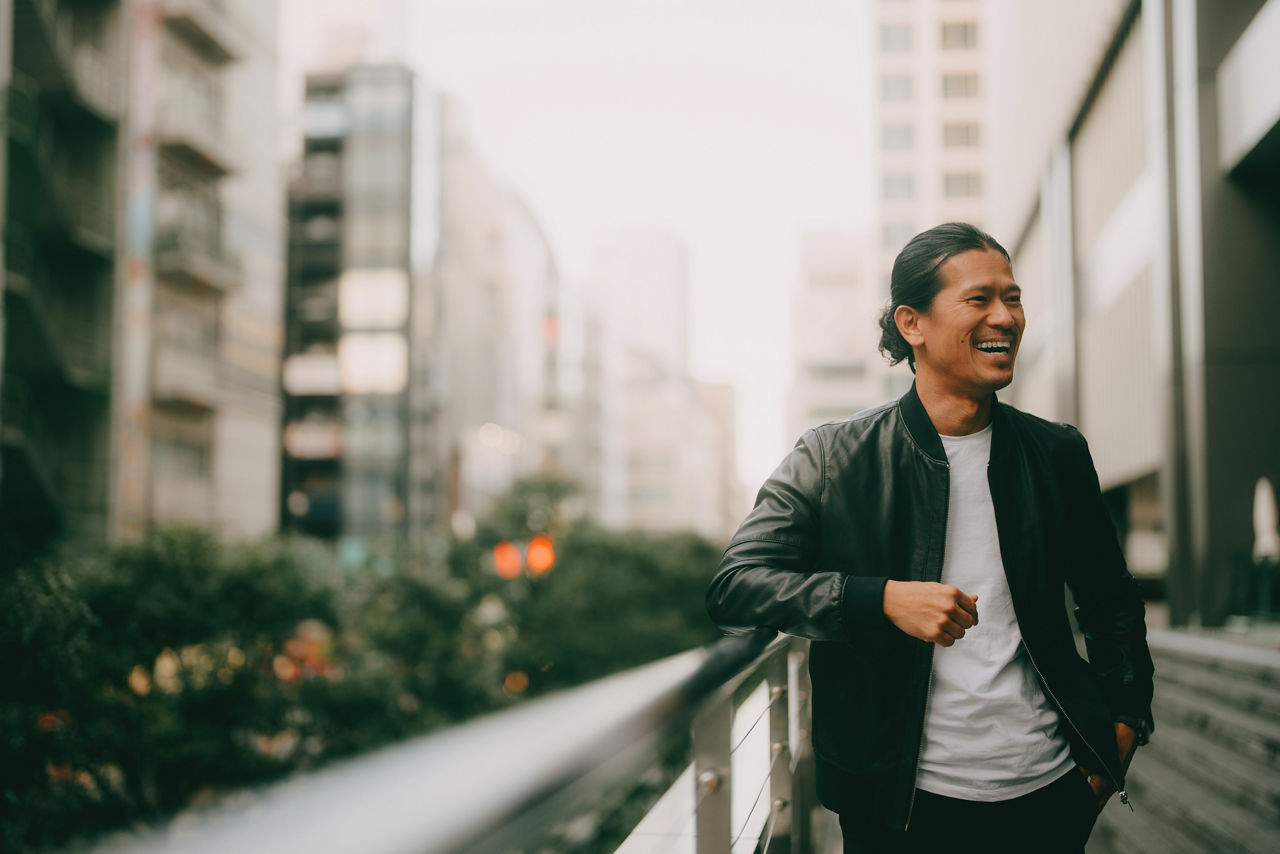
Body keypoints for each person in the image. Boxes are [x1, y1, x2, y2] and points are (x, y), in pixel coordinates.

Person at [705, 223, 1154, 853]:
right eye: (979, 299)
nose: (1006, 316)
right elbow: (735, 586)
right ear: (911, 323)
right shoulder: (834, 456)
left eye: (1014, 297)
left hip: (1050, 791)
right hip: (896, 806)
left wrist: (1125, 725)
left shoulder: (1057, 453)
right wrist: (880, 599)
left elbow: (1109, 598)